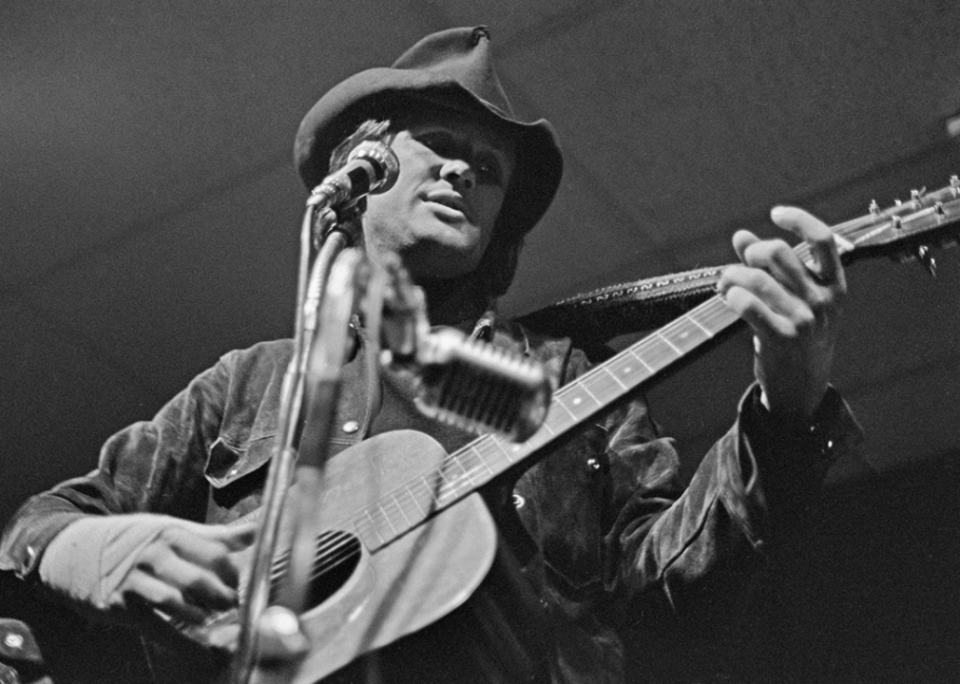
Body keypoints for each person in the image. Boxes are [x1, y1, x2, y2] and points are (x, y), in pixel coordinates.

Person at [0, 26, 862, 684]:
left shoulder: (563, 379)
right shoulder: (251, 385)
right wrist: (90, 552)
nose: (465, 174)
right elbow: (38, 526)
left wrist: (788, 407)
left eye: (487, 170)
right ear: (360, 167)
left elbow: (676, 595)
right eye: (441, 148)